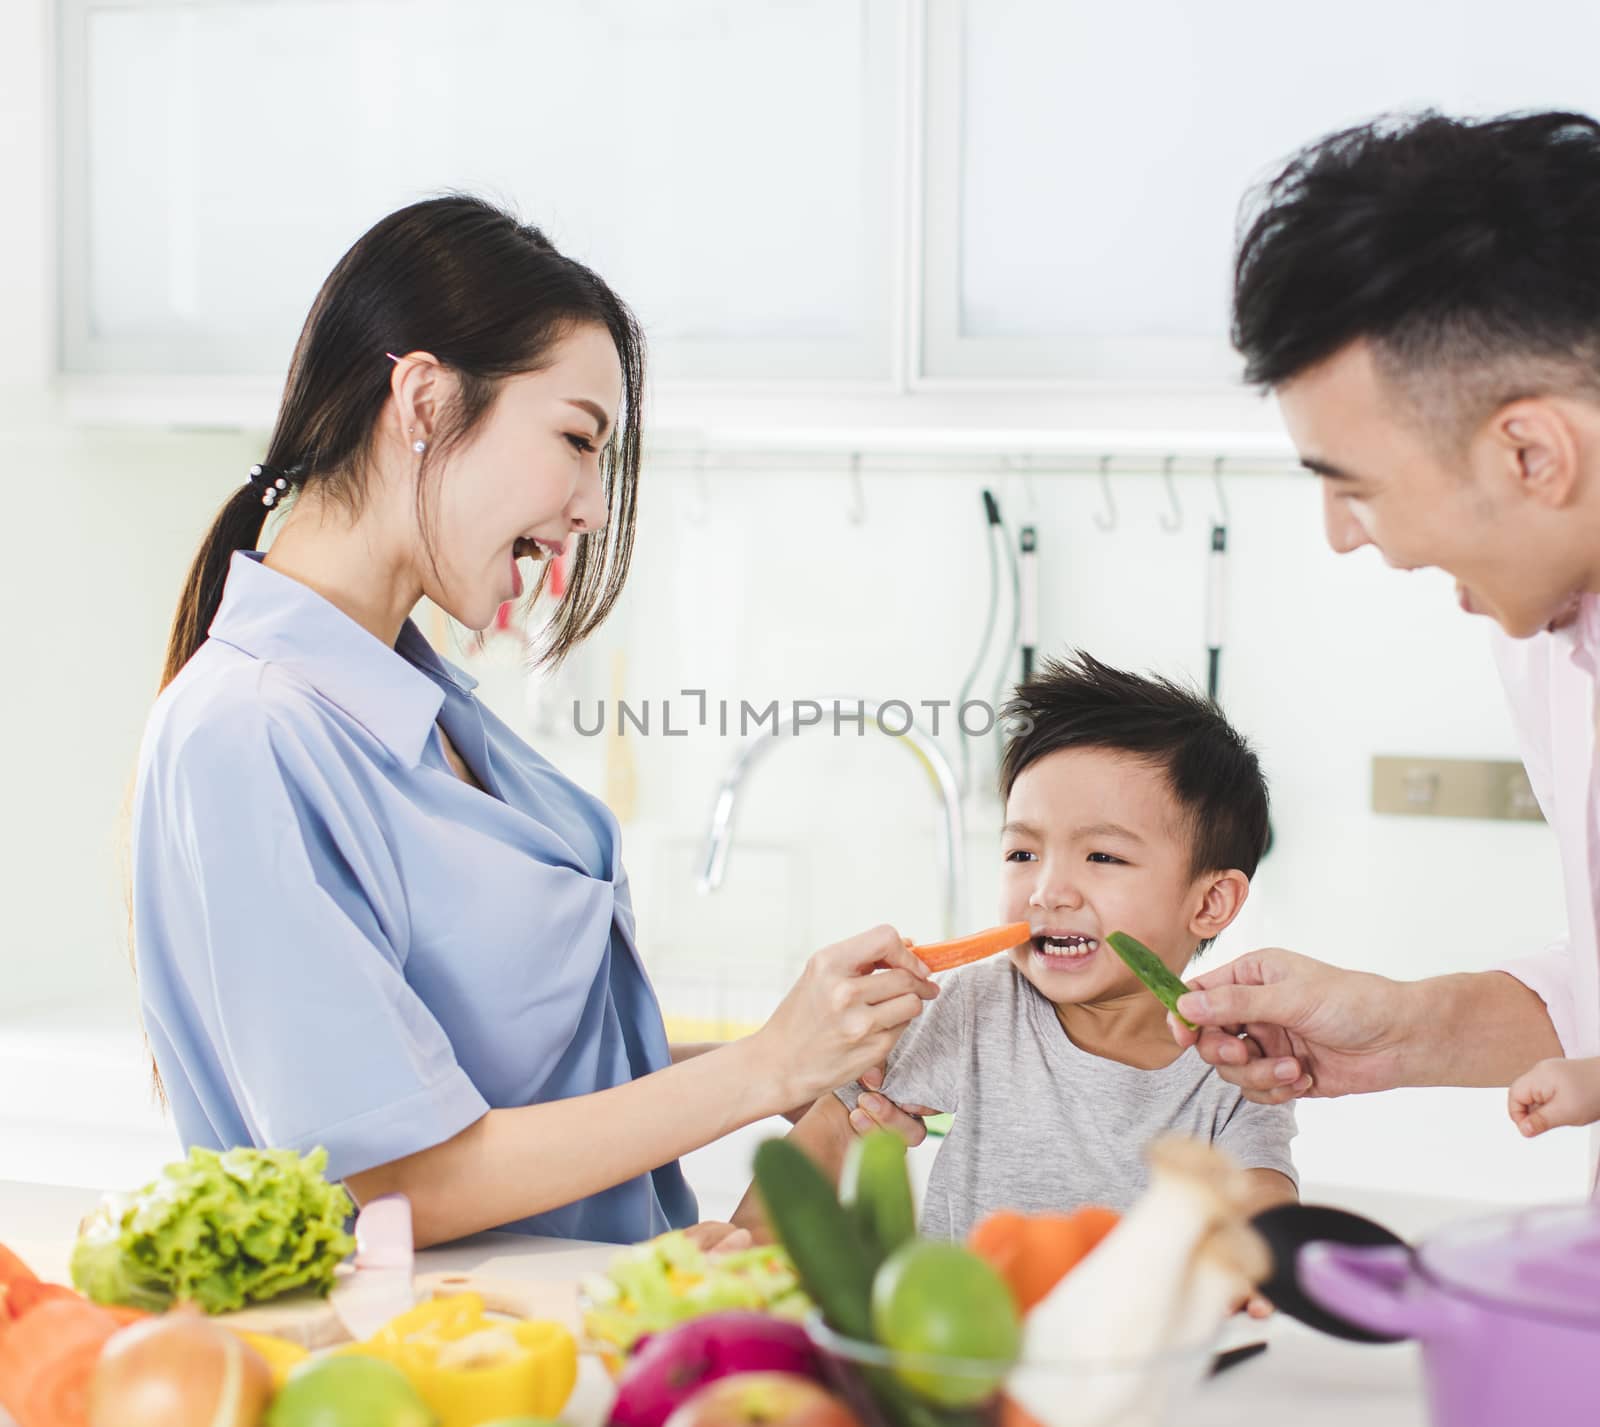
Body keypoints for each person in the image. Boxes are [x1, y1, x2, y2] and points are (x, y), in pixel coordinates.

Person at [131, 195, 934, 1249]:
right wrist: (764, 1066)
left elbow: (527, 1078)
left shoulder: (428, 711)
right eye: (575, 437)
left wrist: (804, 1065)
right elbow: (393, 1177)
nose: (594, 506)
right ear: (421, 398)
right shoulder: (245, 731)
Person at [1171, 113, 1600, 1174]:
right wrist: (1402, 1025)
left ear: (1531, 453)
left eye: (1355, 490)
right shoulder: (1545, 628)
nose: (1345, 536)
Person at [733, 654, 1298, 1308]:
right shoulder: (977, 1005)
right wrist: (752, 1242)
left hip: (1125, 1364)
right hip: (953, 1354)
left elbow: (1262, 1190)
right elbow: (833, 1124)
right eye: (1022, 853)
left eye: (1103, 856)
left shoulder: (1235, 1059)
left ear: (1209, 903)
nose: (1048, 890)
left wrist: (1251, 1260)